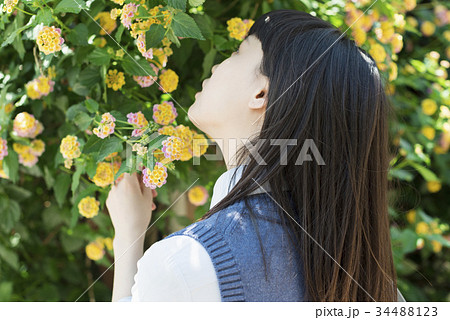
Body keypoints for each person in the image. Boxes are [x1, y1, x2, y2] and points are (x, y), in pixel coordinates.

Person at [106, 9, 405, 302]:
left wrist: (128, 237)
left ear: (261, 93)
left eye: (237, 52)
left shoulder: (185, 264)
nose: (215, 67)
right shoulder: (379, 288)